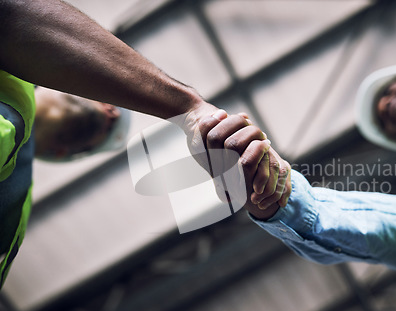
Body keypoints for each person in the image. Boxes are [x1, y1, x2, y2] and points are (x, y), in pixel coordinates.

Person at [0, 0, 285, 287]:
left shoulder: (13, 204)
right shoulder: (12, 67)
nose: (112, 111)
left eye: (98, 135)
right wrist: (190, 108)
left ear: (60, 152)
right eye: (108, 103)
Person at [197, 18, 396, 272]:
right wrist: (282, 200)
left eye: (392, 92)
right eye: (385, 123)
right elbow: (389, 227)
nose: (386, 105)